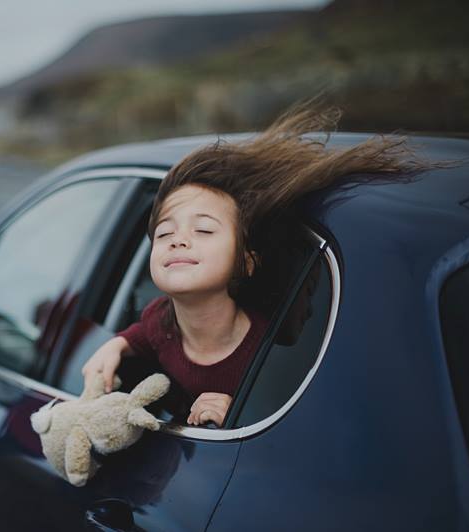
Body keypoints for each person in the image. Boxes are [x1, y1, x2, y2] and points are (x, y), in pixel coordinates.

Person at [82, 102, 426, 427]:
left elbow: (301, 421)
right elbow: (143, 337)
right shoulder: (161, 320)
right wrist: (116, 346)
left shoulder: (267, 348)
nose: (178, 239)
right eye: (164, 233)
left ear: (245, 263)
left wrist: (242, 411)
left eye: (203, 229)